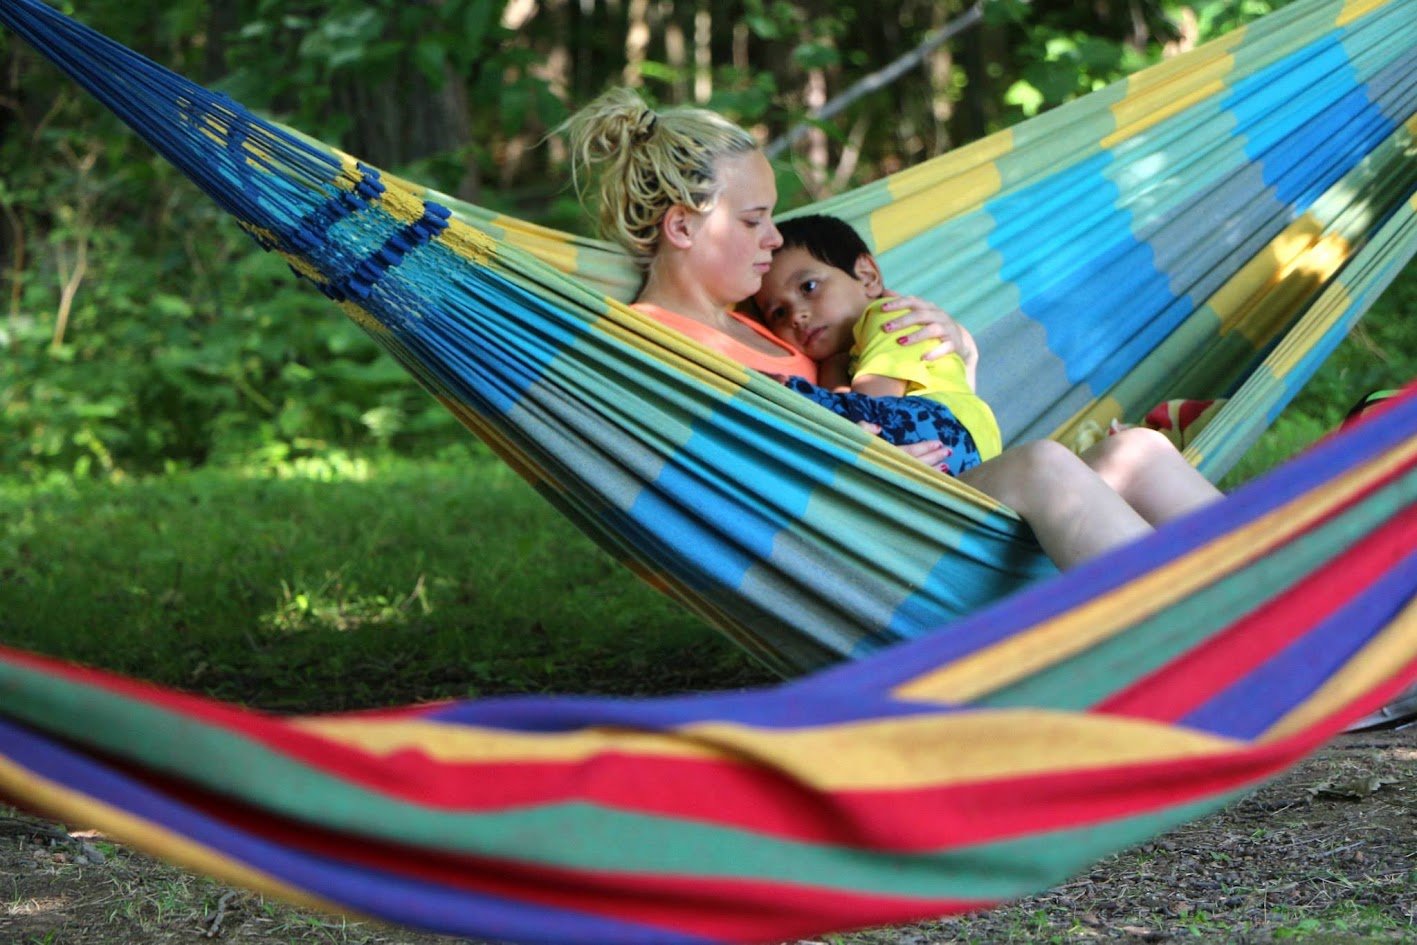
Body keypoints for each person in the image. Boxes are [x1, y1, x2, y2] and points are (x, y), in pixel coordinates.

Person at [559, 87, 1224, 569]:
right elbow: (718, 481)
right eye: (754, 219)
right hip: (871, 536)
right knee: (1045, 465)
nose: (773, 239)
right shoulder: (651, 344)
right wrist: (856, 472)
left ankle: (1291, 616)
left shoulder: (764, 323)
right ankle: (1219, 647)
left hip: (930, 494)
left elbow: (878, 384)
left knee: (1135, 452)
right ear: (682, 225)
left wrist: (956, 360)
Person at [755, 213, 1000, 477]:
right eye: (779, 313)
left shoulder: (890, 314)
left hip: (941, 429)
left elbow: (870, 411)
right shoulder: (845, 357)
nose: (796, 316)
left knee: (781, 396)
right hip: (962, 453)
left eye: (809, 287)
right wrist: (833, 366)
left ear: (867, 276)